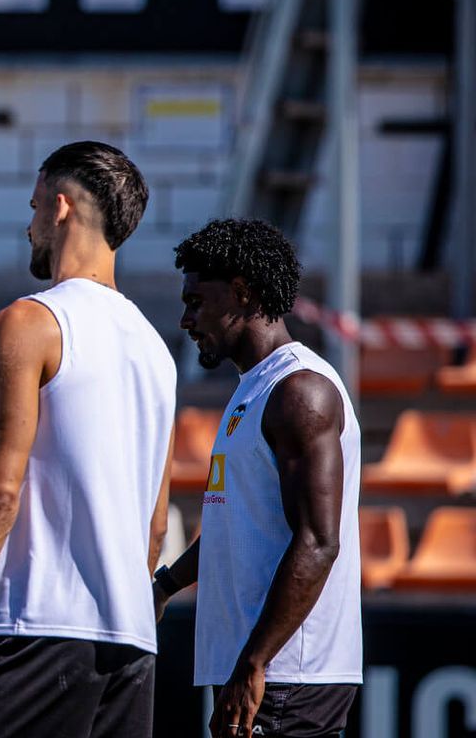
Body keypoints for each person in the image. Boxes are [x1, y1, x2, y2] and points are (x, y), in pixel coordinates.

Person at [0, 142, 176, 738]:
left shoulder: (29, 321)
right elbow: (156, 525)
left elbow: (0, 491)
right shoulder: (157, 350)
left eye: (34, 207)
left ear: (60, 208)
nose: (28, 225)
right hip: (132, 641)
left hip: (38, 628)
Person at [156, 219, 361, 738]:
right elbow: (237, 526)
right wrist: (165, 585)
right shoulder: (256, 388)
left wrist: (255, 663)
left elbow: (318, 542)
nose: (185, 319)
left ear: (242, 294)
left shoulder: (300, 391)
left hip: (287, 671)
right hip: (261, 665)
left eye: (196, 301)